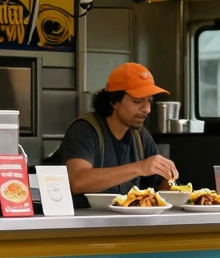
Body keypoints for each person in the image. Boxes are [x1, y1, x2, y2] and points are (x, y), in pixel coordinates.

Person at [58, 62, 178, 205]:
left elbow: (160, 183)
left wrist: (175, 189)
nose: (147, 109)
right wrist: (139, 167)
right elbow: (77, 182)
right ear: (114, 101)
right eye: (137, 101)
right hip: (85, 223)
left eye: (149, 102)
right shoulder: (85, 130)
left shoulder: (140, 136)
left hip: (127, 224)